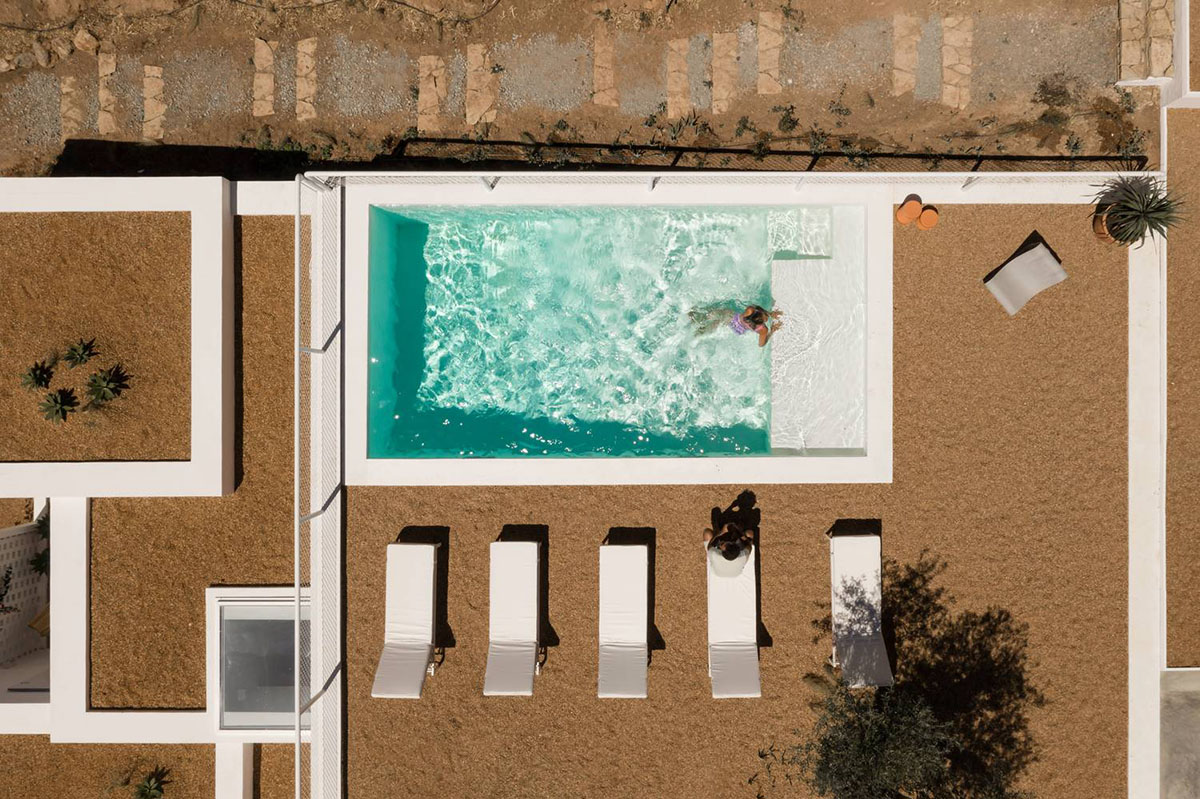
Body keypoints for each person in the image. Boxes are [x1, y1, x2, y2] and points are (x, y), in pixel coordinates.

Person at [689, 303, 783, 347]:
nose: (766, 318)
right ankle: (696, 333)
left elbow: (757, 308)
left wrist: (769, 313)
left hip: (730, 317)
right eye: (765, 318)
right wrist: (771, 331)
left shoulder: (750, 310)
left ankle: (694, 317)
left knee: (710, 315)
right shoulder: (763, 330)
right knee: (710, 327)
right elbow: (761, 344)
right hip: (735, 330)